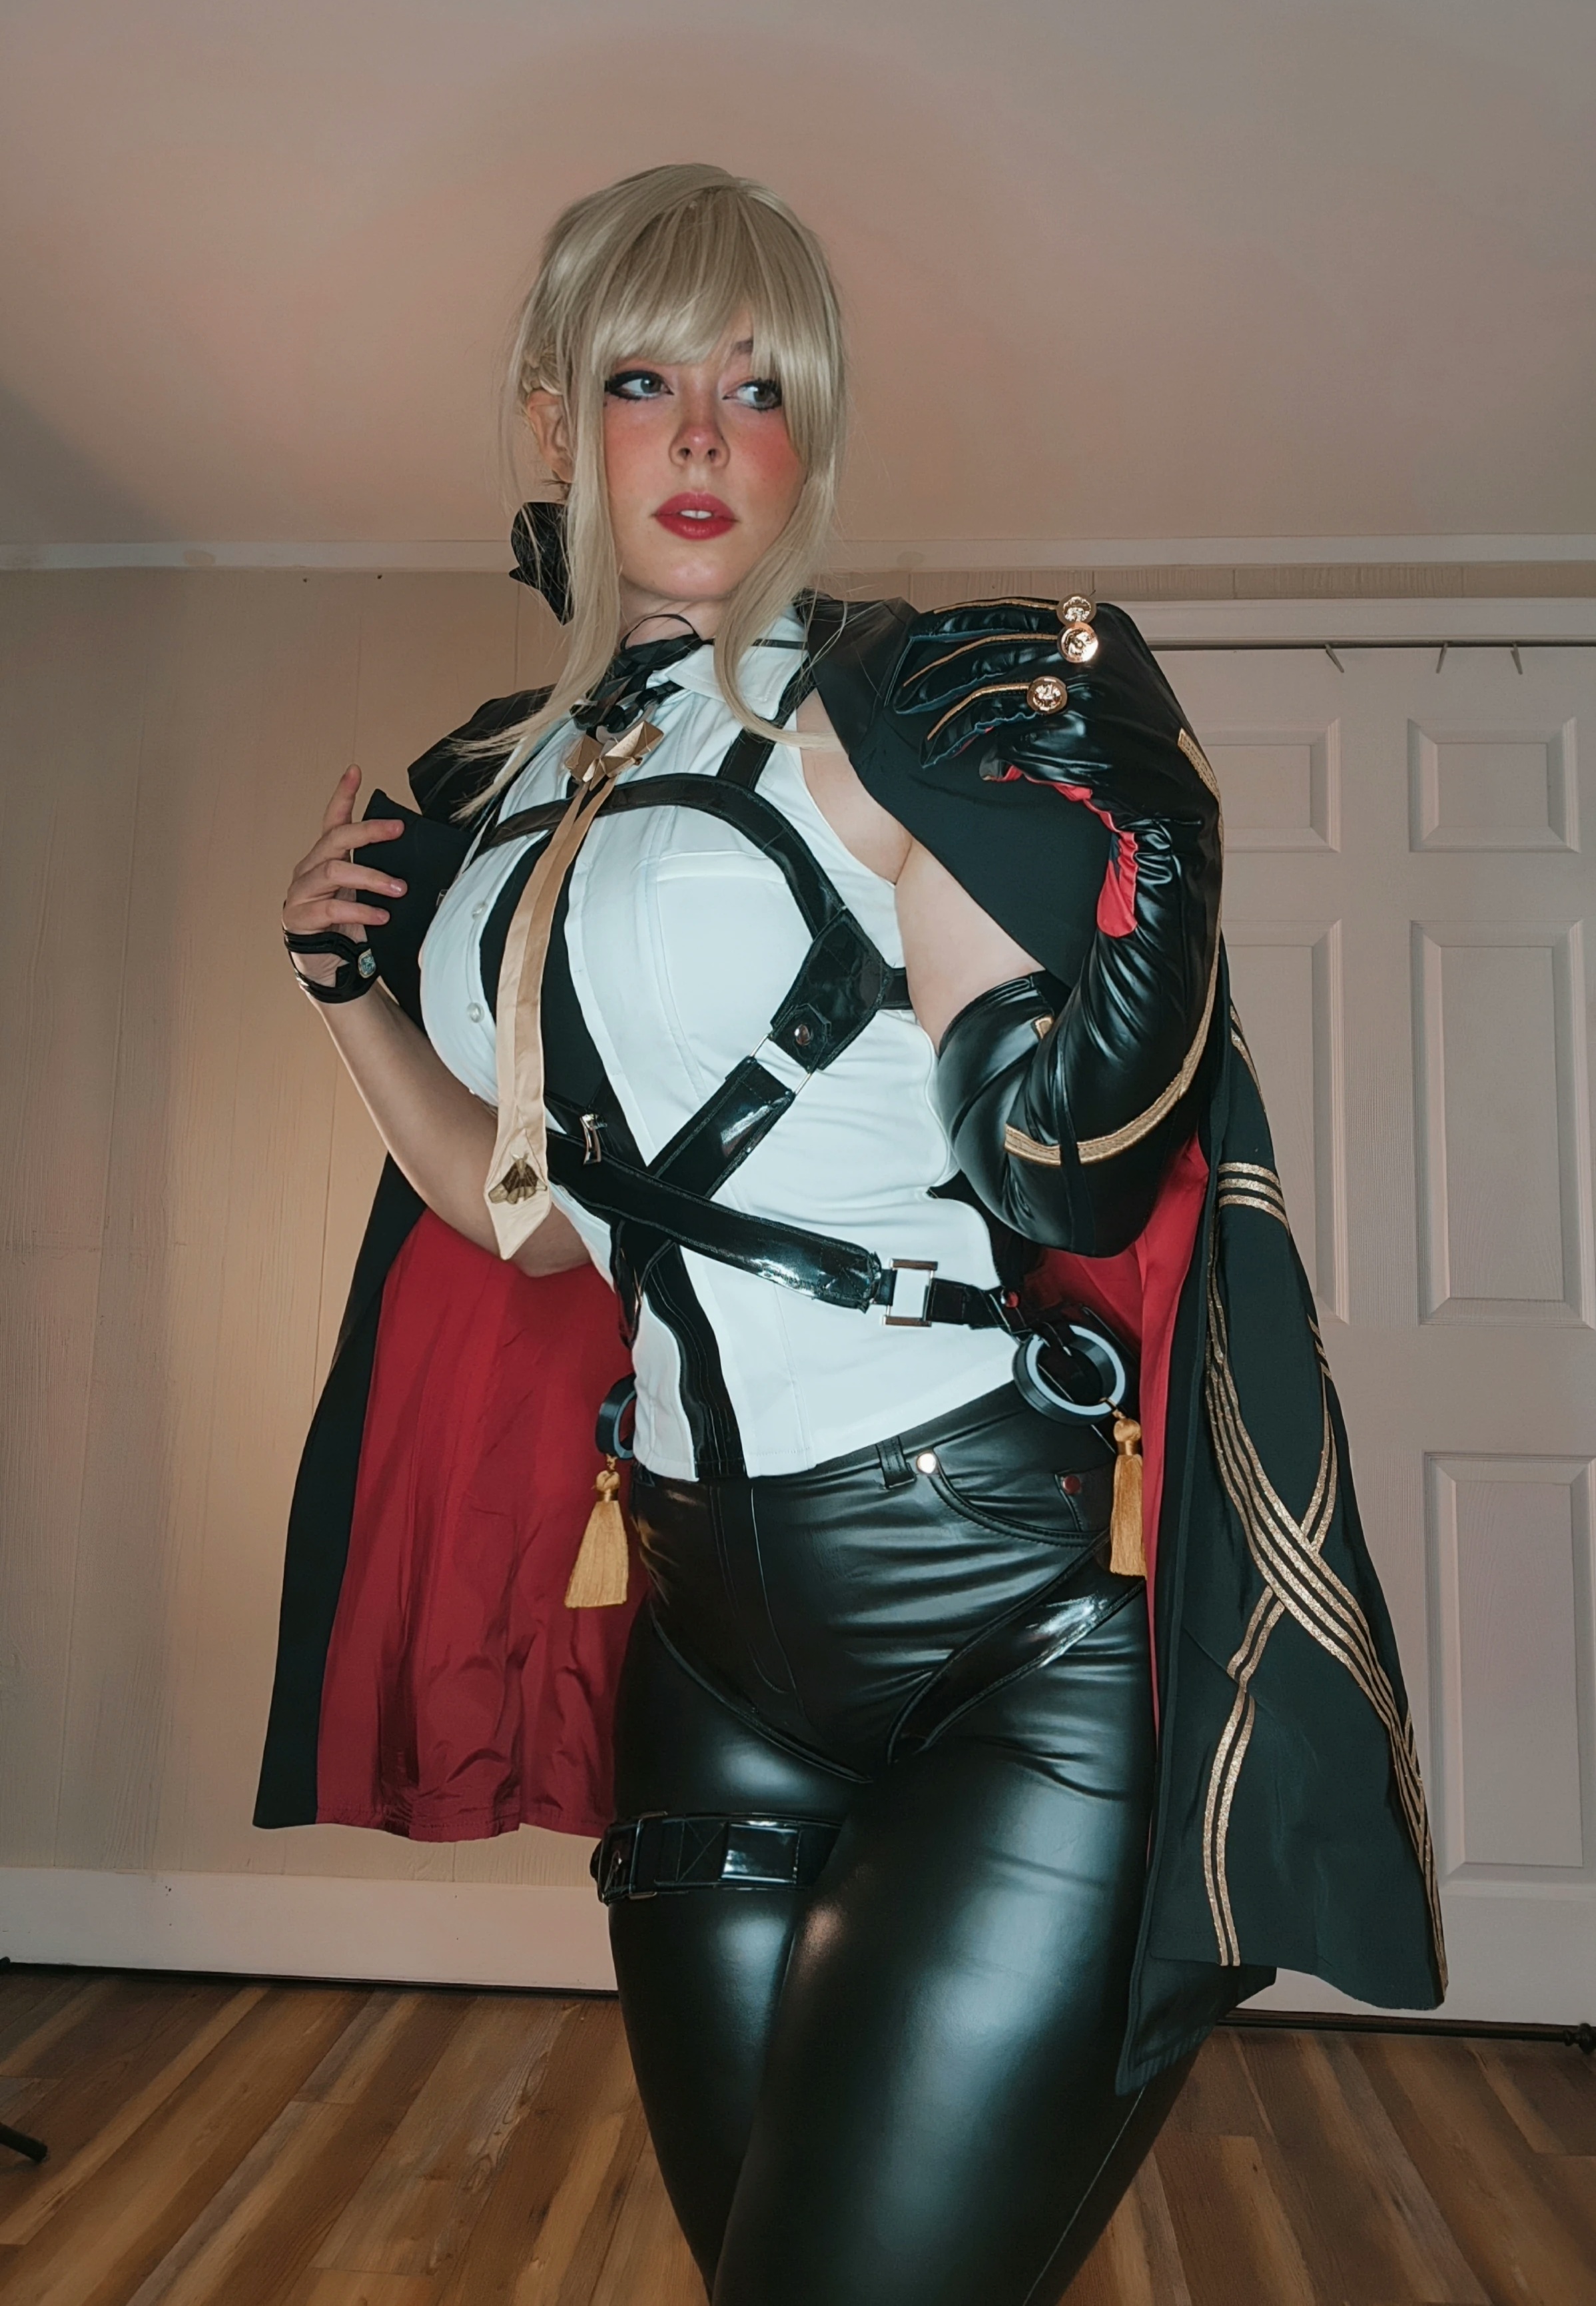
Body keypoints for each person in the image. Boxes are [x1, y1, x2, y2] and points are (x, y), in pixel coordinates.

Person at [259, 164, 1445, 2305]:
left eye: (762, 388)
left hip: (1004, 1631)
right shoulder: (494, 783)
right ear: (553, 422)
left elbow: (1062, 1174)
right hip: (705, 1644)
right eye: (646, 383)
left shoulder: (892, 714)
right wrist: (351, 1000)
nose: (707, 439)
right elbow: (531, 1233)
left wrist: (1167, 861)